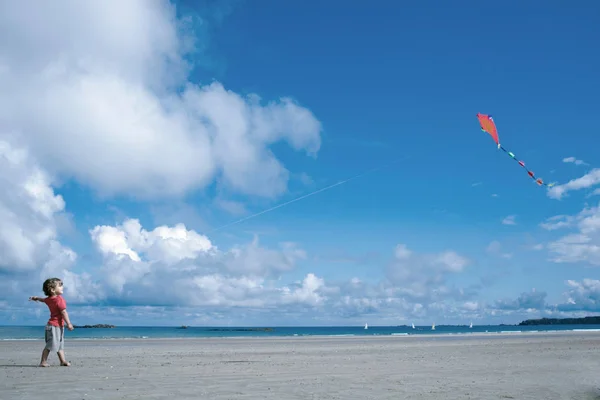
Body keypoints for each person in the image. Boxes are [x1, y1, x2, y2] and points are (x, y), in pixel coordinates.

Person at [29, 278, 74, 367]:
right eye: (60, 285)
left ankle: (62, 361)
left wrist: (36, 298)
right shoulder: (59, 300)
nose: (62, 287)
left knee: (60, 344)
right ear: (53, 290)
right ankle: (43, 361)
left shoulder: (49, 299)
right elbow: (63, 312)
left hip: (56, 325)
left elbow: (43, 300)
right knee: (50, 344)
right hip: (54, 326)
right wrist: (69, 323)